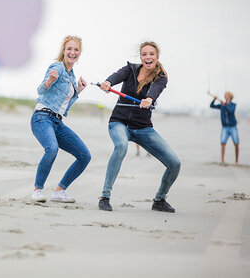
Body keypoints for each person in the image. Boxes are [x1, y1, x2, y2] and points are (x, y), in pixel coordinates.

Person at [98, 41, 181, 213]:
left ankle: (159, 200)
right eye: (144, 54)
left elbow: (155, 91)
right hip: (119, 122)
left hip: (143, 128)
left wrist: (149, 99)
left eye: (151, 54)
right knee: (121, 146)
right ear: (141, 56)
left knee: (175, 163)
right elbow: (115, 76)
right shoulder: (130, 69)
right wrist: (107, 83)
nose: (148, 57)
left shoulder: (161, 77)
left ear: (157, 57)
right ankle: (105, 196)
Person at [30, 35, 91, 203]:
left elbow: (66, 103)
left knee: (84, 155)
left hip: (57, 122)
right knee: (52, 148)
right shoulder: (57, 66)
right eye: (69, 49)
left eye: (76, 49)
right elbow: (41, 90)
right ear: (63, 51)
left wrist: (78, 90)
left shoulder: (72, 75)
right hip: (41, 117)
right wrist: (50, 80)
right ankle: (37, 191)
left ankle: (59, 191)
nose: (72, 52)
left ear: (80, 53)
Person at [210, 92, 239, 165]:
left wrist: (224, 105)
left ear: (230, 96)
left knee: (236, 143)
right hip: (224, 127)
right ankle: (222, 160)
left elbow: (230, 111)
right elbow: (212, 106)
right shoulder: (222, 105)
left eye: (226, 95)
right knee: (223, 143)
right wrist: (214, 99)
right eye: (225, 95)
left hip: (233, 127)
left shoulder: (233, 105)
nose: (225, 96)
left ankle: (236, 161)